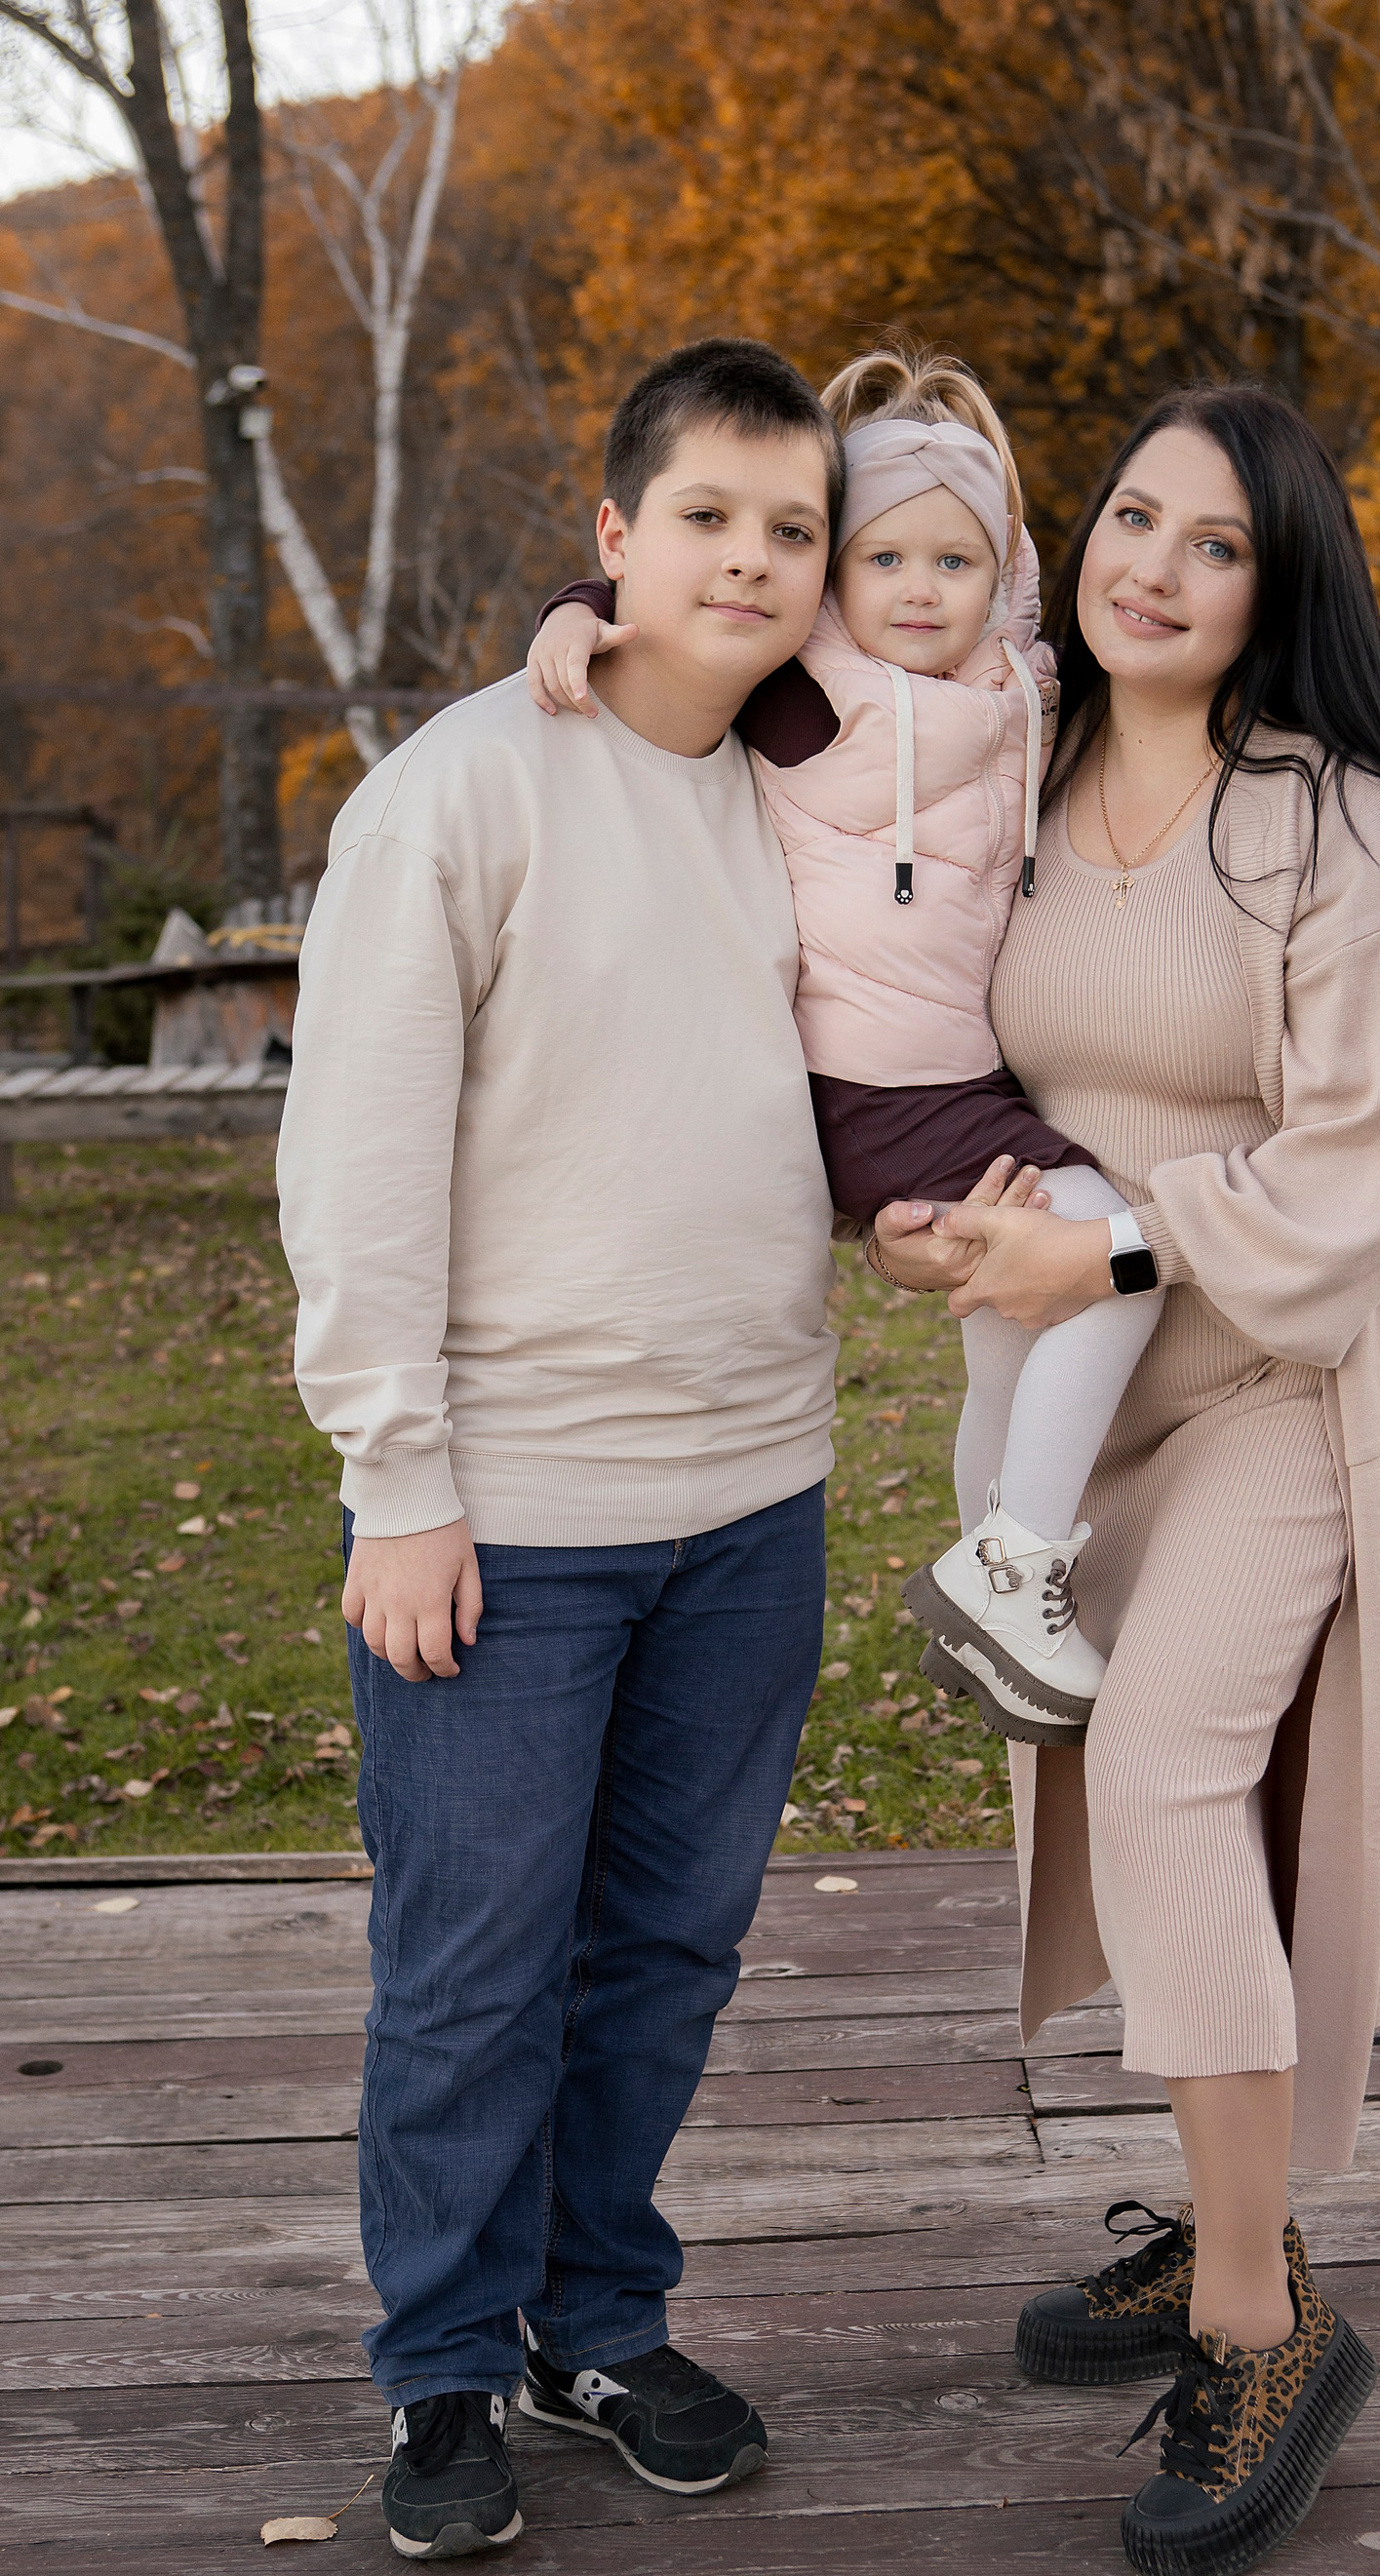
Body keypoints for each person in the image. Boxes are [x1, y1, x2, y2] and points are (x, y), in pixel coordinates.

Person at [873, 381, 1380, 2576]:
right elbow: (905, 996)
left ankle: (1259, 2322)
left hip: (1278, 1382)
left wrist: (1113, 1246)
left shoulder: (1333, 827)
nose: (1154, 566)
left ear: (1274, 586)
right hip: (1076, 1398)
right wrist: (924, 1220)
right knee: (1144, 1803)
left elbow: (1366, 1167)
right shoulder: (1015, 768)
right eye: (1134, 515)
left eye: (1215, 544)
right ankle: (1234, 2225)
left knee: (1163, 1771)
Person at [277, 336, 866, 2562]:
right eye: (706, 515)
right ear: (616, 535)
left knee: (669, 1952)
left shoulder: (811, 799)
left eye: (792, 528)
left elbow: (997, 635)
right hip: (510, 1509)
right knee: (474, 1967)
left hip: (755, 1489)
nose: (752, 559)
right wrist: (398, 1480)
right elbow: (357, 1159)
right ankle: (441, 2366)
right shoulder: (460, 793)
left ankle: (591, 2319)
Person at [528, 343, 1165, 1749]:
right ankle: (1017, 1567)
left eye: (955, 560)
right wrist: (578, 610)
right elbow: (680, 617)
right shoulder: (807, 692)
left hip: (954, 1074)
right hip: (871, 1086)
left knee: (1013, 1325)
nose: (920, 590)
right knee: (1118, 1258)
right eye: (884, 560)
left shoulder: (1022, 688)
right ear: (838, 575)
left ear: (1001, 571)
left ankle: (997, 1574)